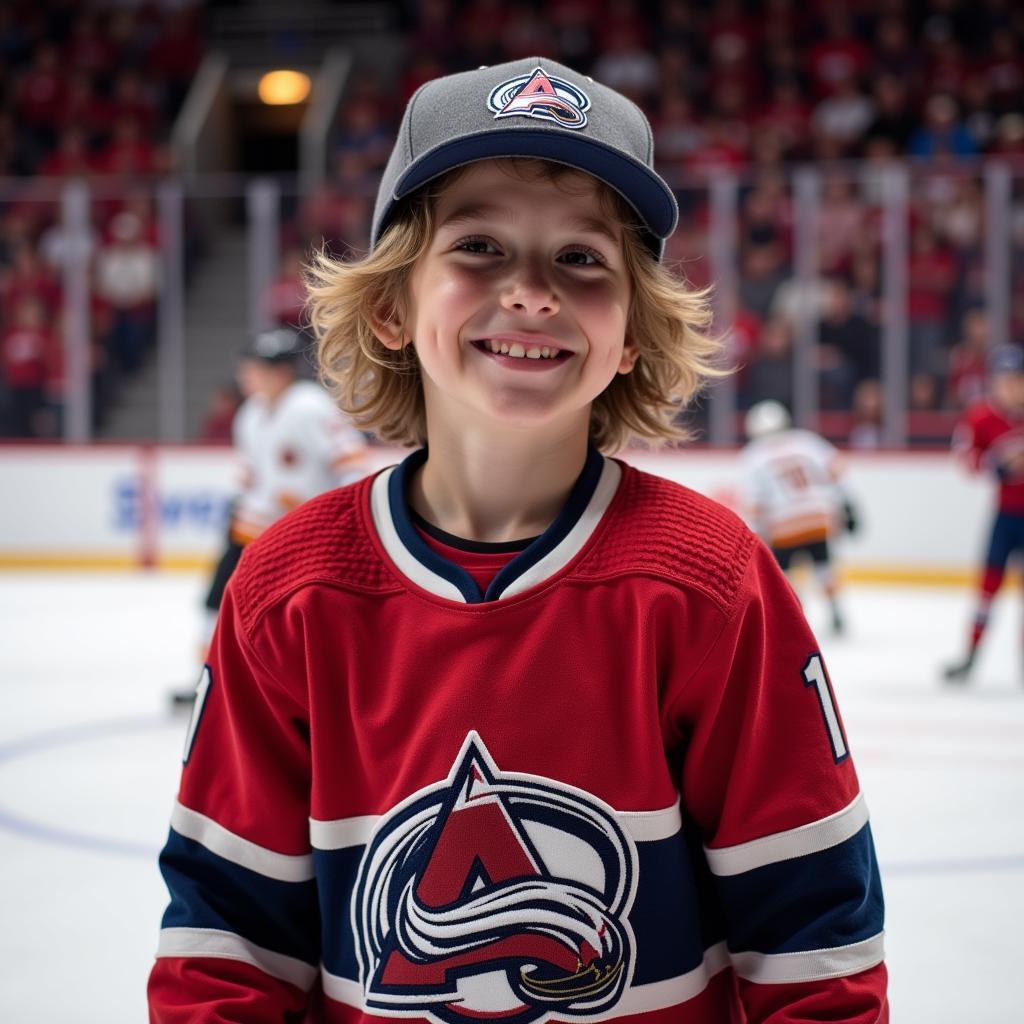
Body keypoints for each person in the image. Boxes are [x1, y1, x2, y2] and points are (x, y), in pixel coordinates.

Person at [149, 59, 887, 1021]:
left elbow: (812, 941)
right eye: (480, 248)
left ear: (632, 333)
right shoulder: (289, 589)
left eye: (582, 259)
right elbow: (227, 946)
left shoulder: (709, 582)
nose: (532, 292)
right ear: (390, 308)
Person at [170, 326, 367, 706]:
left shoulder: (310, 407)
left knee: (307, 614)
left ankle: (313, 685)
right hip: (253, 530)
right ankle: (209, 678)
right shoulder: (251, 414)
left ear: (280, 373)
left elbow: (352, 463)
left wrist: (345, 522)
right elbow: (250, 476)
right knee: (220, 599)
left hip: (307, 536)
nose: (245, 376)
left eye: (254, 368)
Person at [740, 400, 857, 635]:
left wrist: (758, 532)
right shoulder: (806, 441)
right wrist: (847, 507)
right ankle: (835, 611)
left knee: (786, 575)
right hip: (817, 517)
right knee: (824, 567)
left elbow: (755, 501)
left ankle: (795, 619)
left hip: (784, 524)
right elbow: (837, 471)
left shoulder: (752, 457)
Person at [944, 344, 1024, 682]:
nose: (1009, 387)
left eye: (1015, 379)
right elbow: (964, 456)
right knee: (988, 588)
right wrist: (997, 465)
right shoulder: (982, 416)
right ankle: (972, 655)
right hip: (1006, 516)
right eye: (1003, 379)